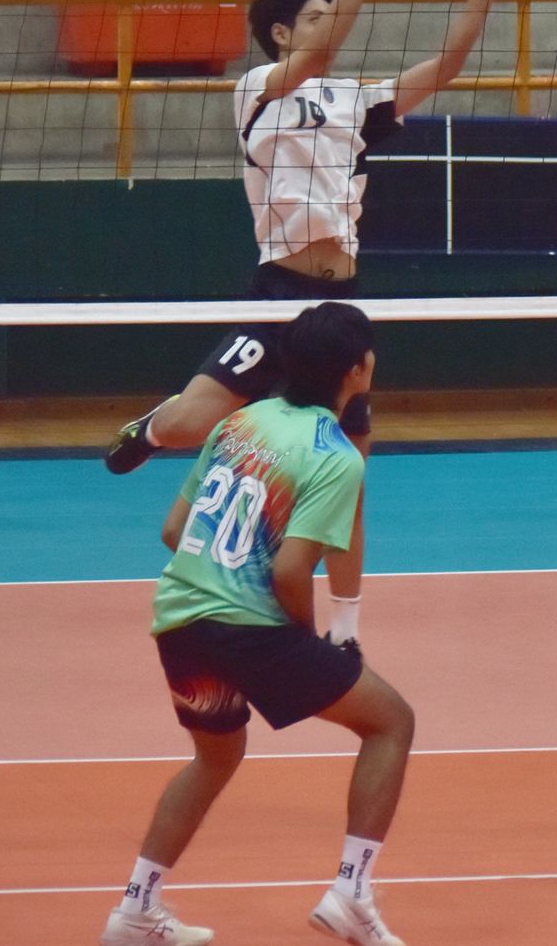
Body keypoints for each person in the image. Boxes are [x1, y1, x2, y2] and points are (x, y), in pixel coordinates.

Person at [106, 0, 516, 652]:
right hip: (278, 297)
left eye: (333, 15)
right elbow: (320, 56)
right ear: (281, 34)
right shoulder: (256, 91)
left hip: (339, 304)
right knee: (191, 424)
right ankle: (152, 426)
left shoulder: (356, 103)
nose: (330, 28)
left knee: (349, 475)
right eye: (318, 17)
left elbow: (449, 66)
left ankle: (348, 631)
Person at [104, 302, 416, 946]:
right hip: (248, 630)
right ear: (358, 370)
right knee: (390, 722)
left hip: (179, 623)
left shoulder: (240, 420)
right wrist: (303, 637)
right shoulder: (336, 456)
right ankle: (351, 893)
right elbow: (291, 571)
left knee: (215, 755)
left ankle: (135, 910)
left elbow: (174, 530)